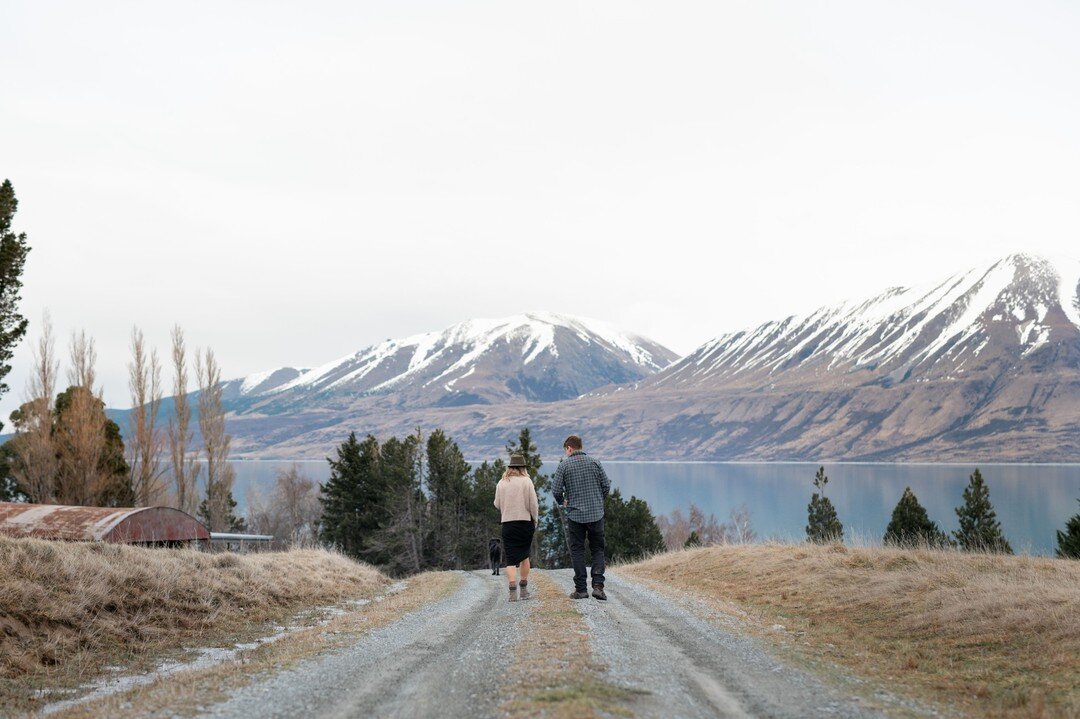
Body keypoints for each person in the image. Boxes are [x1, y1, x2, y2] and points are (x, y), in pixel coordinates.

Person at [551, 434, 610, 600]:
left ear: (569, 448)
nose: (566, 453)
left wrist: (563, 501)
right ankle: (598, 586)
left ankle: (581, 589)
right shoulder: (595, 462)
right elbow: (606, 486)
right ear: (580, 447)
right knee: (597, 549)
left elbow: (555, 490)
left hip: (575, 514)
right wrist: (598, 501)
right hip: (596, 514)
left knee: (578, 551)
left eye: (566, 451)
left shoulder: (564, 465)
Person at [493, 453, 539, 602]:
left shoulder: (501, 483)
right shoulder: (527, 482)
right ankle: (524, 590)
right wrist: (535, 520)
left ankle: (512, 591)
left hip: (508, 524)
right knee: (525, 556)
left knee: (511, 559)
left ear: (510, 467)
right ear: (522, 468)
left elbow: (497, 504)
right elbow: (533, 505)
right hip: (525, 523)